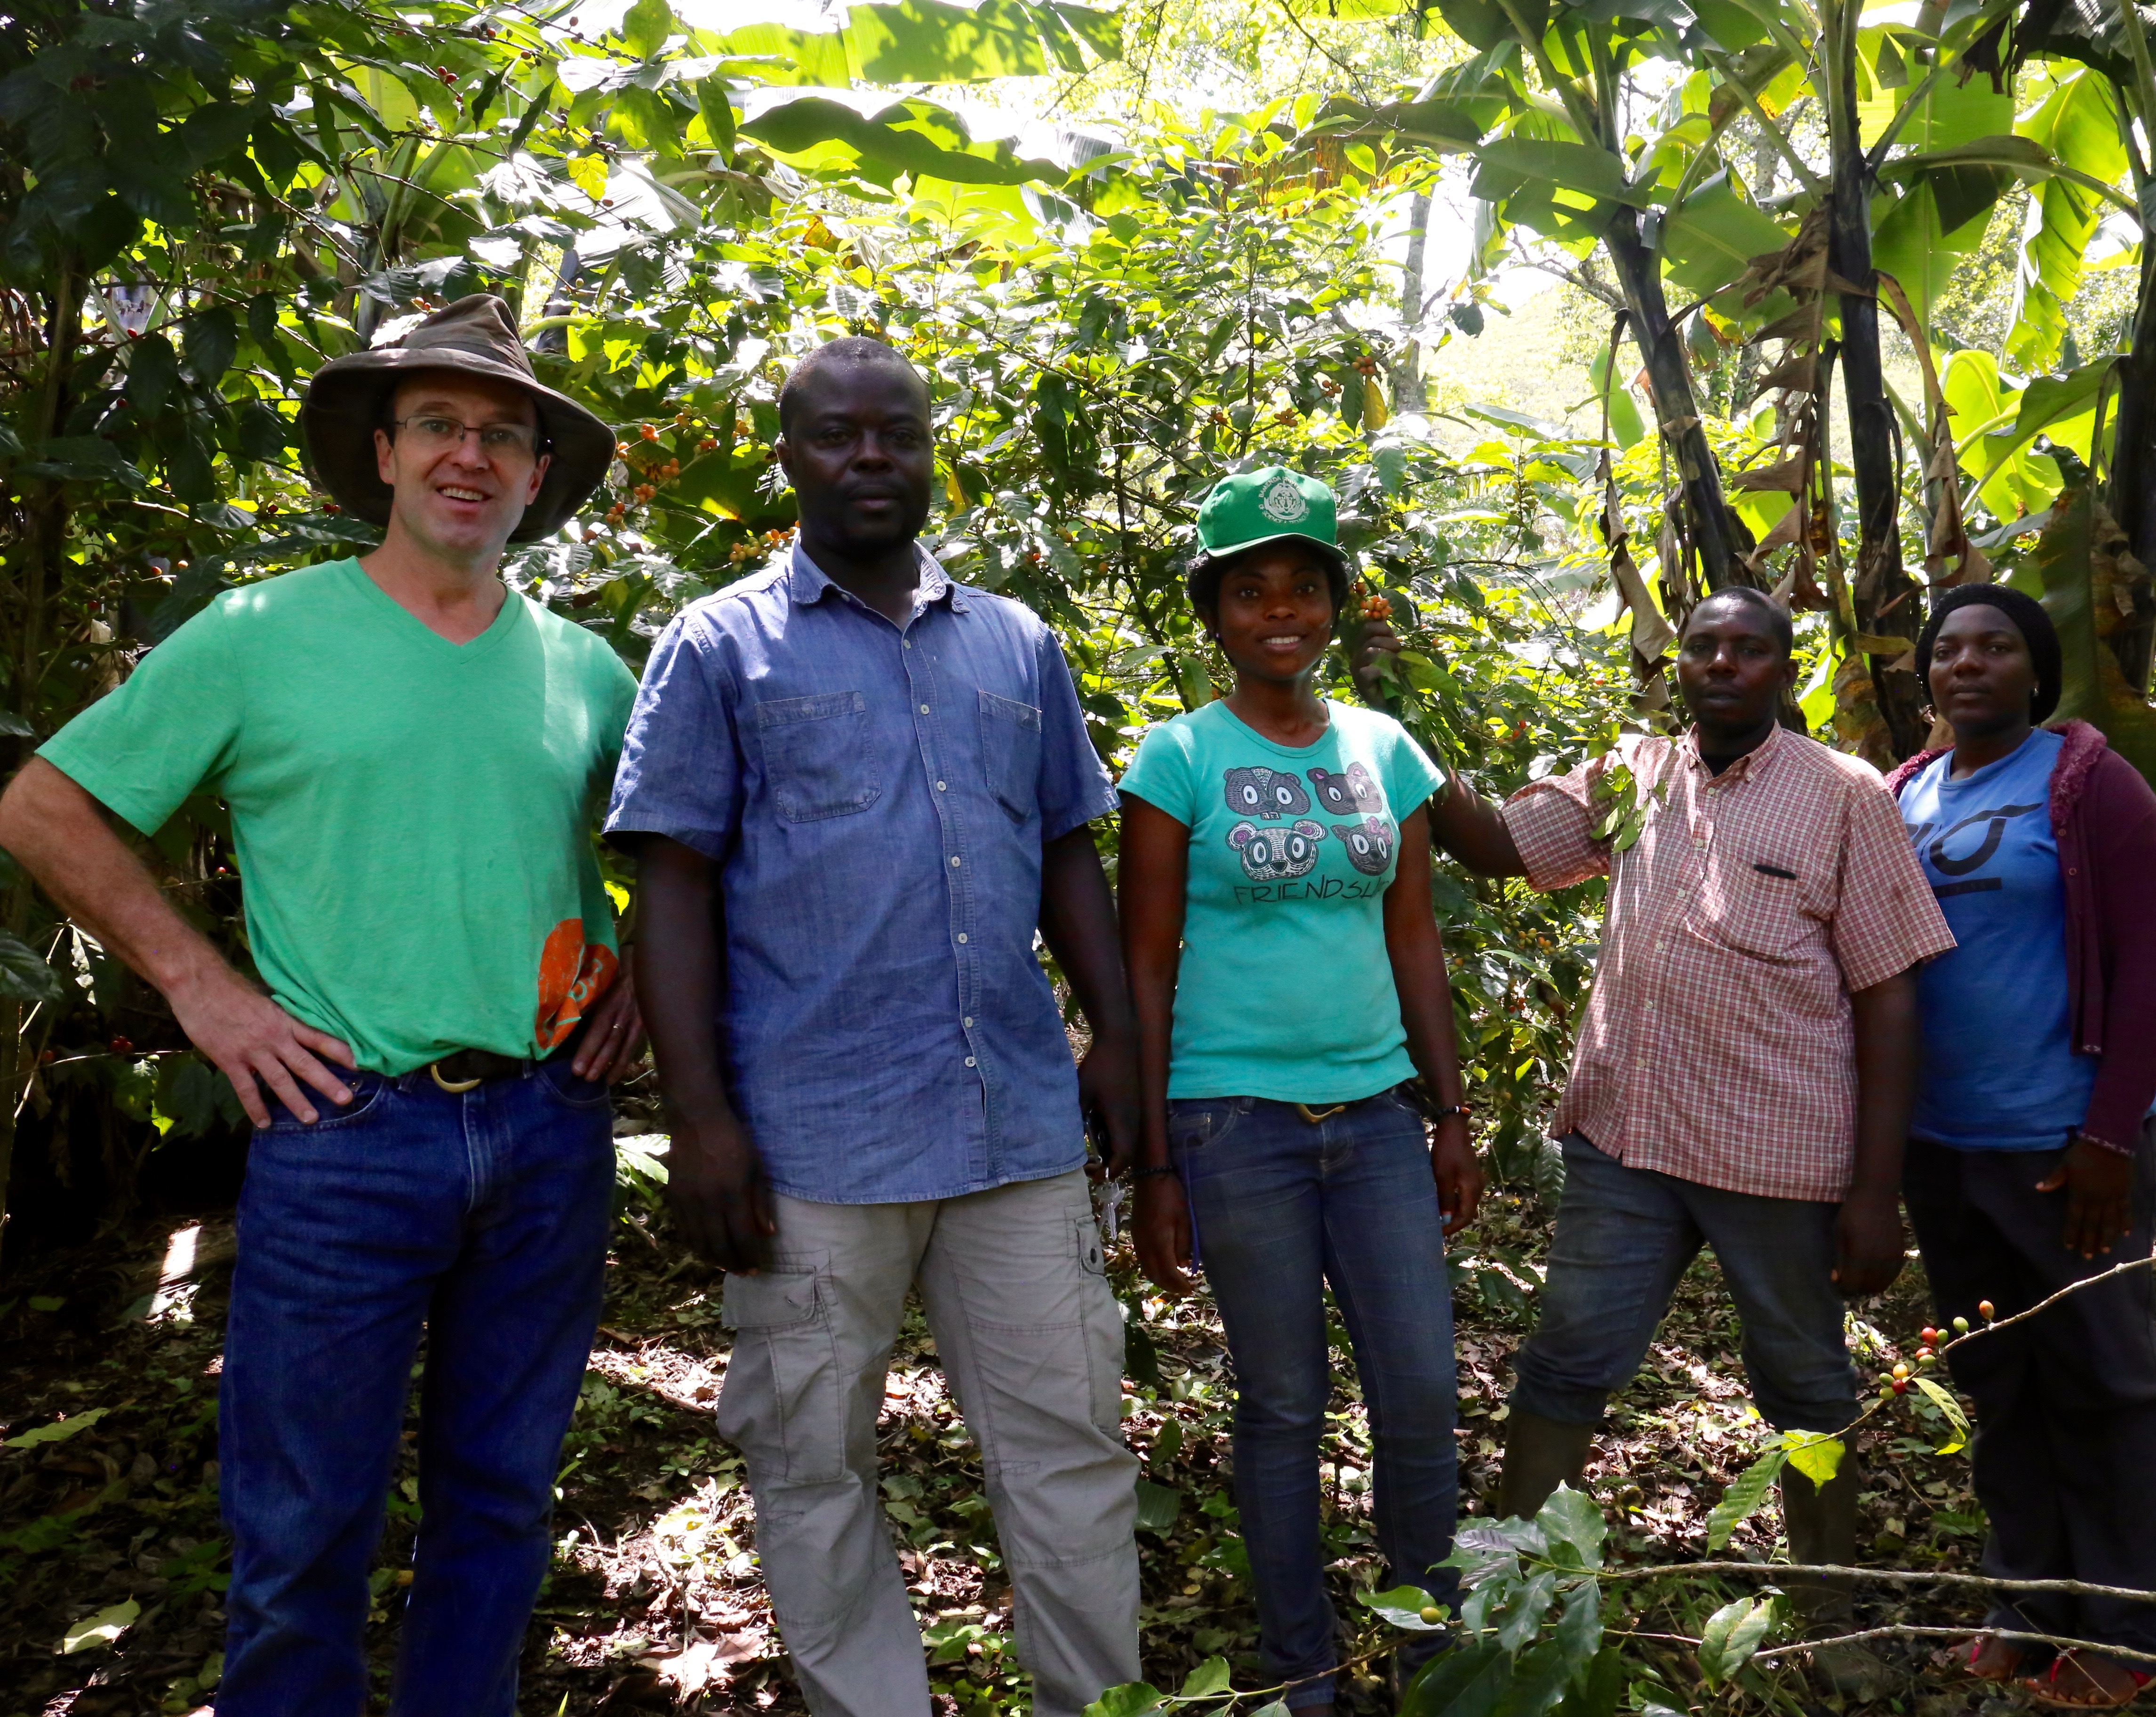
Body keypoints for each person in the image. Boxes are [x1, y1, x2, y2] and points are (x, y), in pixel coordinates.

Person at [0, 295, 641, 1714]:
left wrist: (642, 971)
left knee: (501, 1511)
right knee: (300, 1543)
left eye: (503, 435)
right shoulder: (260, 634)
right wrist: (205, 993)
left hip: (547, 1134)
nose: (470, 455)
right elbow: (43, 806)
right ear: (387, 452)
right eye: (440, 427)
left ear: (538, 477)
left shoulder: (586, 670)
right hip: (345, 1132)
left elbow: (681, 849)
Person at [606, 337, 1143, 1717]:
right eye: (837, 437)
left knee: (1069, 1445)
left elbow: (1069, 851)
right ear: (787, 453)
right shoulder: (720, 645)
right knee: (810, 1458)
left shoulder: (1015, 641)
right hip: (809, 1144)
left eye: (895, 436)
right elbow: (670, 882)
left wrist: (1123, 1032)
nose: (869, 461)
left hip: (1013, 1124)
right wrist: (701, 1120)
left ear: (928, 451)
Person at [1357, 587, 1953, 1683]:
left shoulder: (1842, 797)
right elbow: (1494, 844)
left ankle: (1827, 1623)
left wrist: (1878, 1193)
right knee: (1567, 1362)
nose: (1721, 664)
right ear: (1675, 665)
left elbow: (1890, 994)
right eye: (1702, 648)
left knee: (1807, 1387)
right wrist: (1392, 720)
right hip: (1626, 1141)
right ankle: (1505, 1602)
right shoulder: (1639, 774)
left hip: (1775, 1154)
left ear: (1784, 669)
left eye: (1748, 650)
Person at [1120, 466, 1481, 1714]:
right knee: (1282, 1404)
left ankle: (1428, 1659)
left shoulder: (1384, 747)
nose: (1284, 609)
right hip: (1233, 1125)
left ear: (1336, 605)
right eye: (1253, 589)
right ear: (1217, 613)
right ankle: (1304, 1670)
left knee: (1422, 1399)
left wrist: (1450, 1110)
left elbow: (1416, 939)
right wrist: (1154, 1158)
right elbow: (1145, 960)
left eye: (1306, 587)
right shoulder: (1176, 758)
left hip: (1377, 1116)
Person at [1887, 585, 2156, 1711]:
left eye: (1996, 647)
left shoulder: (2092, 784)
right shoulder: (1904, 793)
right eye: (1950, 649)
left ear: (2035, 670)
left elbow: (2152, 965)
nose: (1969, 665)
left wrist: (2110, 1130)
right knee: (1999, 1376)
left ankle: (2125, 1626)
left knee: (2104, 1377)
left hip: (2062, 1143)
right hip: (1942, 1144)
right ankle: (2027, 1599)